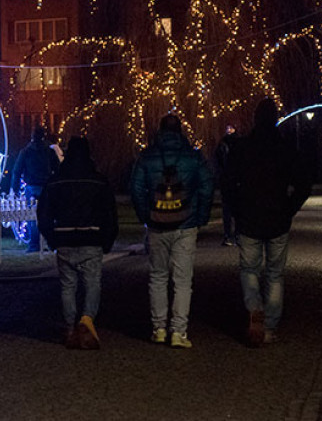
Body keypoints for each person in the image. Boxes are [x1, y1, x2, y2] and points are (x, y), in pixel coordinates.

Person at [225, 99, 312, 347]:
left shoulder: (242, 148)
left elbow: (228, 184)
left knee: (249, 269)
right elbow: (303, 184)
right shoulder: (284, 148)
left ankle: (254, 307)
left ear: (255, 118)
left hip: (249, 218)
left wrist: (237, 212)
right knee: (275, 273)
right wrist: (289, 208)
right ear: (275, 118)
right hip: (277, 219)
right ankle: (270, 326)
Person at [130, 114, 213, 349]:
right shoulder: (193, 157)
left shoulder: (147, 156)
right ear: (180, 132)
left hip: (156, 223)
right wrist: (200, 215)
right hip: (186, 224)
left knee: (157, 276)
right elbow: (207, 185)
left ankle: (158, 328)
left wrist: (146, 215)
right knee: (183, 280)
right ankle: (179, 331)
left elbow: (135, 187)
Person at [37, 137, 118, 350]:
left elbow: (43, 213)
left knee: (68, 285)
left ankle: (70, 326)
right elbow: (109, 213)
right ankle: (87, 319)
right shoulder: (98, 180)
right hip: (91, 238)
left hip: (64, 237)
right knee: (92, 282)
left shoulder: (56, 180)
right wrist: (107, 239)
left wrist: (51, 238)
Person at [12, 126, 59, 253]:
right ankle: (50, 243)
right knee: (49, 216)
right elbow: (58, 169)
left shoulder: (26, 151)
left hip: (32, 187)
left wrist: (14, 189)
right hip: (47, 186)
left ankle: (34, 245)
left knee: (33, 217)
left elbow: (17, 171)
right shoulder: (49, 151)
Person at [215, 125, 241, 247]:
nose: (229, 130)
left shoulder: (227, 144)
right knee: (229, 210)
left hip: (232, 180)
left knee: (234, 209)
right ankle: (229, 235)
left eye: (231, 128)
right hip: (230, 181)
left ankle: (234, 234)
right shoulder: (224, 144)